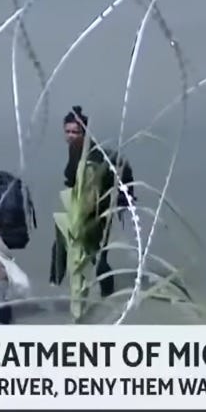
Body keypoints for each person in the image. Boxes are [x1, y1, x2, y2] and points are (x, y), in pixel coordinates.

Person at [49, 106, 136, 301]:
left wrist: (121, 200)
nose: (71, 136)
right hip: (81, 208)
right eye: (68, 131)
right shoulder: (74, 150)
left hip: (99, 211)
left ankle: (108, 297)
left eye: (75, 132)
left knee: (98, 256)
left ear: (84, 133)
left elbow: (111, 175)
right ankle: (57, 287)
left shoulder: (94, 154)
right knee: (63, 243)